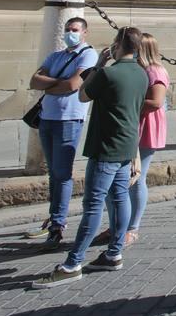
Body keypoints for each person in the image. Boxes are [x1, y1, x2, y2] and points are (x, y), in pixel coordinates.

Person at [35, 26, 150, 287]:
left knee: (94, 204)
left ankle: (73, 263)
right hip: (126, 145)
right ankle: (113, 253)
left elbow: (83, 94)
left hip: (105, 145)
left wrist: (99, 63)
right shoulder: (142, 74)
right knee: (120, 198)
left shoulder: (108, 73)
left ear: (117, 46)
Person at [24, 17, 99, 250]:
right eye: (68, 30)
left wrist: (52, 83)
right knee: (53, 173)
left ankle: (58, 224)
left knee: (62, 172)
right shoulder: (56, 55)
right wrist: (59, 83)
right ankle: (53, 217)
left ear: (85, 32)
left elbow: (73, 85)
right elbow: (34, 81)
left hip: (70, 119)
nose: (70, 33)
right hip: (47, 118)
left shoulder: (88, 55)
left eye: (75, 30)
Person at [125, 32, 168, 243]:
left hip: (146, 128)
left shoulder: (155, 71)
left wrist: (124, 104)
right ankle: (120, 224)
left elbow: (157, 102)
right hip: (134, 125)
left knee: (136, 177)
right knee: (126, 178)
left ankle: (132, 227)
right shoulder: (140, 70)